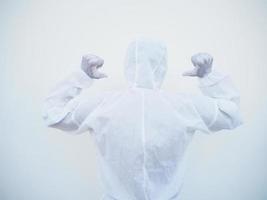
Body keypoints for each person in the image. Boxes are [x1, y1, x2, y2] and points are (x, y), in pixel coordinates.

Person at [42, 38, 242, 200]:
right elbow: (230, 113)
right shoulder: (184, 106)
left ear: (127, 63)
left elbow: (53, 113)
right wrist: (208, 76)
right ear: (163, 65)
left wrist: (81, 76)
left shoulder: (103, 104)